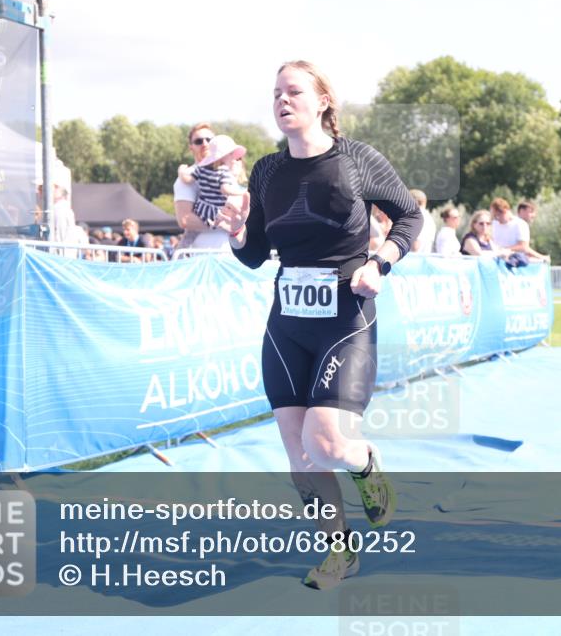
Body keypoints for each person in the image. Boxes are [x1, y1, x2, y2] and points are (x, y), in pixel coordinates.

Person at [217, 60, 422, 590]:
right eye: (276, 93)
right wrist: (239, 235)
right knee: (298, 451)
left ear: (323, 101)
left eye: (294, 91)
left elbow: (409, 217)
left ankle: (366, 463)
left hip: (345, 316)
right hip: (287, 322)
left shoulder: (357, 160)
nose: (282, 100)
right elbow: (257, 253)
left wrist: (381, 262)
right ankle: (339, 551)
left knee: (327, 443)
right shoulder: (265, 171)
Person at [173, 123, 230, 251]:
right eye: (198, 141)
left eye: (209, 140)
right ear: (191, 147)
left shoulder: (226, 172)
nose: (205, 144)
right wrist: (225, 223)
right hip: (203, 257)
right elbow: (185, 220)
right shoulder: (186, 178)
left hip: (230, 255)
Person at [490, 198, 549, 262]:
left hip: (514, 261)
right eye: (495, 216)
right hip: (496, 259)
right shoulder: (494, 224)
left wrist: (503, 250)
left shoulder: (520, 224)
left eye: (498, 215)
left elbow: (523, 247)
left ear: (506, 210)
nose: (497, 218)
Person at [409, 189, 436, 253]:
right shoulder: (429, 218)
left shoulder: (416, 217)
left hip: (412, 259)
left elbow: (415, 246)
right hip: (422, 259)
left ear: (415, 201)